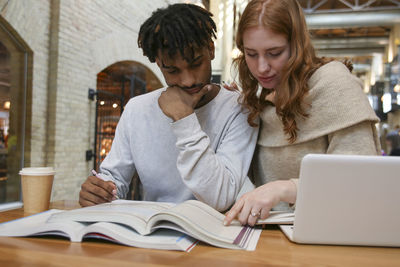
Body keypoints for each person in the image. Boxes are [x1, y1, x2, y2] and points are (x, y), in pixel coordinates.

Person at [79, 3, 259, 211]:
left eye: (195, 64)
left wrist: (184, 119)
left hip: (217, 235)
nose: (188, 81)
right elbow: (114, 179)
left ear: (211, 49)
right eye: (172, 70)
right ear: (157, 62)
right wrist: (99, 191)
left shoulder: (241, 109)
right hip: (154, 230)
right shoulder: (137, 110)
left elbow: (220, 197)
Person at [223, 0, 381, 226]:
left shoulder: (334, 85)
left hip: (336, 235)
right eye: (251, 54)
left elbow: (362, 181)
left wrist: (288, 188)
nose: (261, 68)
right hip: (272, 239)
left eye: (274, 53)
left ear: (297, 45)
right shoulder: (259, 102)